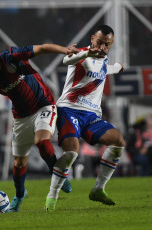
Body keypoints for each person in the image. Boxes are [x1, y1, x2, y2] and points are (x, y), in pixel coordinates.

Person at [0, 43, 79, 212]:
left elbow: (43, 48)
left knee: (42, 142)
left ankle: (57, 174)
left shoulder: (12, 56)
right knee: (18, 163)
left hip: (43, 105)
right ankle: (19, 194)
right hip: (20, 116)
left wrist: (65, 50)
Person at [44, 25, 126, 211]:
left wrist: (119, 68)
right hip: (68, 110)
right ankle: (51, 197)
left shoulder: (104, 61)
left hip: (91, 116)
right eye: (99, 42)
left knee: (118, 141)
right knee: (72, 153)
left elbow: (107, 69)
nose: (102, 47)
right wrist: (87, 53)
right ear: (92, 39)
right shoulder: (82, 54)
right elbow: (67, 60)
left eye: (107, 44)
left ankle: (98, 189)